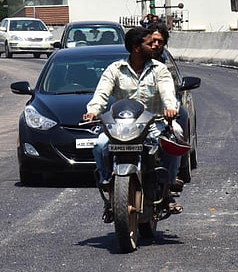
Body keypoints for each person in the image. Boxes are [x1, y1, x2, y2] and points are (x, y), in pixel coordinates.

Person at [82, 26, 181, 222]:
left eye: (155, 42)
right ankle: (108, 188)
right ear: (136, 47)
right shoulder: (115, 69)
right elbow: (102, 93)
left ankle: (168, 187)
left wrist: (170, 108)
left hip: (153, 124)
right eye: (148, 42)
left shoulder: (159, 69)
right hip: (121, 125)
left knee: (175, 137)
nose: (154, 45)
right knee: (100, 144)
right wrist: (92, 110)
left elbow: (167, 91)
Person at [147, 22, 191, 192]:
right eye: (152, 41)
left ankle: (176, 172)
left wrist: (171, 107)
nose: (156, 45)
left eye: (160, 41)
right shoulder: (134, 61)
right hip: (140, 114)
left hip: (166, 108)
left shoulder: (166, 64)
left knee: (178, 127)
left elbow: (171, 88)